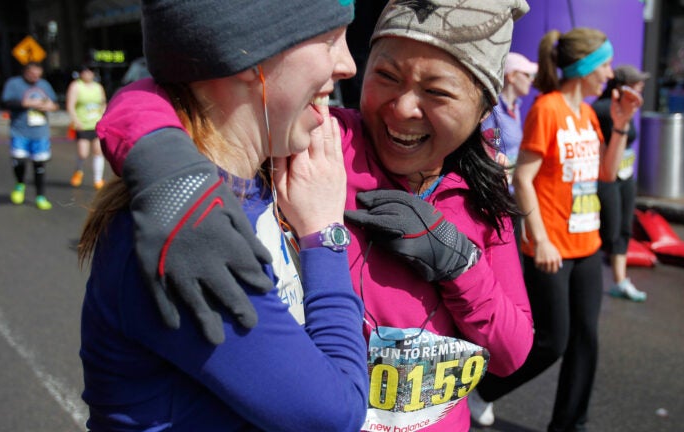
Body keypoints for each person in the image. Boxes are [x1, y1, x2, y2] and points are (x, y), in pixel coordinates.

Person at [93, 1, 535, 431]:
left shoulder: (483, 189)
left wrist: (460, 264)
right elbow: (191, 86)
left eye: (436, 92)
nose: (402, 109)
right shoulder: (320, 142)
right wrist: (166, 167)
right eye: (384, 75)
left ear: (483, 107)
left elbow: (512, 353)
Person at [78, 1, 369, 431]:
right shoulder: (186, 233)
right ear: (248, 59)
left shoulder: (267, 167)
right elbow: (332, 415)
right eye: (329, 39)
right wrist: (326, 237)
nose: (348, 64)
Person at [469, 28, 644, 431]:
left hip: (587, 245)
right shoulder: (547, 109)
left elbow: (607, 171)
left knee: (586, 342)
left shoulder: (586, 113)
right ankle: (484, 390)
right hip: (551, 248)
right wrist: (541, 238)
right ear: (583, 68)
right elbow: (525, 178)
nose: (610, 74)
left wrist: (620, 123)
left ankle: (570, 424)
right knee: (552, 341)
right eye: (604, 65)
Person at [593, 64, 650, 302]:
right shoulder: (604, 109)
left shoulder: (628, 106)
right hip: (607, 177)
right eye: (637, 84)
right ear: (622, 86)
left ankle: (620, 281)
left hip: (626, 175)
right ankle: (589, 280)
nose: (642, 88)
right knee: (610, 230)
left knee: (624, 228)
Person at [1, 62, 59, 210]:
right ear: (25, 72)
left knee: (39, 164)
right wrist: (25, 103)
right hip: (20, 130)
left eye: (38, 75)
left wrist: (49, 106)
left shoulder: (44, 85)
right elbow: (5, 102)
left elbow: (55, 104)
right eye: (32, 74)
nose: (35, 78)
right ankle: (20, 184)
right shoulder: (14, 84)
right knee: (19, 160)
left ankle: (40, 196)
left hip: (40, 131)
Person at [481, 52, 538, 180]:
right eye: (528, 75)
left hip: (510, 186)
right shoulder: (493, 110)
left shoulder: (515, 107)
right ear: (511, 76)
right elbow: (487, 150)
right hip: (498, 184)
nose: (532, 80)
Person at [66, 64, 107, 190]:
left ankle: (98, 179)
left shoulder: (98, 87)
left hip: (96, 124)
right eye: (85, 72)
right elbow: (70, 105)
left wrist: (104, 117)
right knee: (83, 153)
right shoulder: (76, 86)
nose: (88, 74)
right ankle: (78, 170)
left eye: (90, 72)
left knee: (98, 151)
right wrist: (75, 120)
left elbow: (103, 103)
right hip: (82, 124)